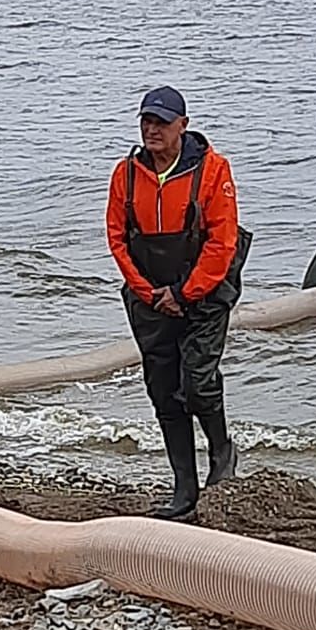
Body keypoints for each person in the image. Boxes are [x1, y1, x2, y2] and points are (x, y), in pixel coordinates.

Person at [106, 86, 251, 522]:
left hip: (203, 295)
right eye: (146, 121)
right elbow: (116, 238)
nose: (152, 129)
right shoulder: (126, 175)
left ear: (182, 127)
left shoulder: (213, 171)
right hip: (149, 296)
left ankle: (222, 453)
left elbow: (222, 243)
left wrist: (185, 293)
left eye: (162, 122)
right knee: (164, 391)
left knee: (199, 382)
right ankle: (183, 489)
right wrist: (148, 292)